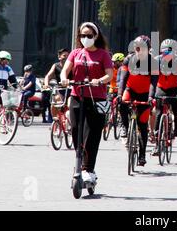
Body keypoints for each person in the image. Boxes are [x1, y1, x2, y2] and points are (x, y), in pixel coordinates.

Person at [60, 22, 113, 185]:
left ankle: (88, 169)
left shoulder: (103, 54)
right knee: (76, 131)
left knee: (92, 135)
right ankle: (80, 162)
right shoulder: (75, 53)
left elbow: (109, 75)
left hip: (96, 98)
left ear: (95, 36)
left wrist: (100, 80)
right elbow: (65, 70)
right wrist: (63, 78)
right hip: (77, 96)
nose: (85, 38)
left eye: (89, 35)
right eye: (83, 35)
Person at [118, 36, 157, 166]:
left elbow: (153, 82)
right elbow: (123, 79)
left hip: (145, 95)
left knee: (143, 125)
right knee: (122, 102)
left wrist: (151, 97)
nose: (138, 50)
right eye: (136, 48)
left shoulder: (153, 63)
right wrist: (119, 94)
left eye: (142, 48)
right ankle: (124, 126)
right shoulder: (128, 60)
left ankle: (142, 155)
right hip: (131, 90)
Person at [151, 38, 177, 147]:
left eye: (169, 52)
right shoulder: (157, 60)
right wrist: (151, 94)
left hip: (174, 88)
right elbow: (154, 79)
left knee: (176, 106)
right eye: (164, 52)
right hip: (160, 88)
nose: (166, 54)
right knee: (159, 112)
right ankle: (157, 137)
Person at [43, 48, 71, 122]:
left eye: (68, 56)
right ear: (59, 57)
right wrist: (46, 84)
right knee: (54, 102)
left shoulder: (72, 65)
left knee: (70, 104)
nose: (66, 58)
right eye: (64, 56)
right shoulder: (56, 66)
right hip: (60, 90)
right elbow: (48, 76)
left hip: (71, 90)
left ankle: (70, 121)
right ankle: (56, 122)